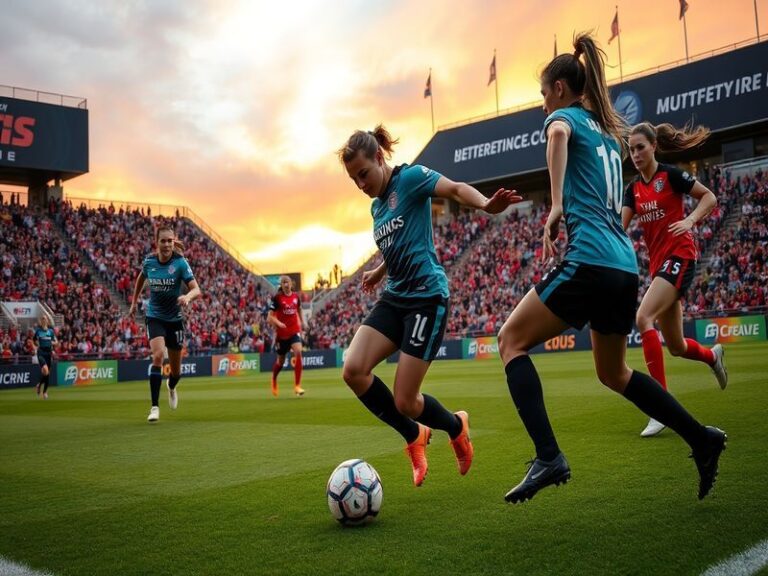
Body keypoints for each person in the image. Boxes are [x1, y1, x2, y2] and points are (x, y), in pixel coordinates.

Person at [497, 33, 726, 504]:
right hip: (623, 266)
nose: (543, 108)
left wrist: (556, 203)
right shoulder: (604, 131)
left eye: (543, 95)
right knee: (614, 373)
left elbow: (557, 135)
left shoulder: (565, 120)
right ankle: (701, 439)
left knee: (509, 341)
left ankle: (548, 456)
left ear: (560, 88)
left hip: (591, 260)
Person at [338, 124, 521, 486]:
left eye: (363, 174)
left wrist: (485, 204)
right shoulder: (377, 208)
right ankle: (413, 436)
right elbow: (399, 239)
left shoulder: (412, 178)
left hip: (426, 296)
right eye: (353, 179)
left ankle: (456, 425)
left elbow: (453, 188)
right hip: (395, 296)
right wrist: (380, 269)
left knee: (406, 400)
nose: (361, 184)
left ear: (379, 157)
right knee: (353, 370)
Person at [623, 122, 728, 438]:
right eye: (631, 149)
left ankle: (660, 409)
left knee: (643, 317)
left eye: (641, 146)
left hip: (681, 257)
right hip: (660, 267)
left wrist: (690, 220)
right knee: (677, 346)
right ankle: (713, 356)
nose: (636, 153)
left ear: (654, 146)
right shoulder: (633, 190)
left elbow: (708, 197)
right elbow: (619, 226)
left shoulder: (671, 175)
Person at [129, 225, 201, 422]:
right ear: (157, 242)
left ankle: (171, 386)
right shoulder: (149, 262)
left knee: (176, 372)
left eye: (170, 240)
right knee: (159, 355)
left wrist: (187, 297)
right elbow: (140, 279)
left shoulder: (180, 263)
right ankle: (154, 407)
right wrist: (135, 301)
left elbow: (197, 290)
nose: (167, 244)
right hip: (155, 317)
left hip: (175, 320)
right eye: (164, 240)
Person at [267, 275, 305, 397]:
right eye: (283, 283)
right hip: (282, 334)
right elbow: (269, 317)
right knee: (281, 362)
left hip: (294, 330)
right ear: (281, 285)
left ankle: (297, 386)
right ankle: (273, 380)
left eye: (287, 282)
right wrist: (279, 323)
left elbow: (299, 309)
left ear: (291, 284)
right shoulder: (277, 298)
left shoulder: (295, 297)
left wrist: (302, 321)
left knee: (298, 351)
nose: (286, 285)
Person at [33, 316, 56, 398]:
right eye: (42, 318)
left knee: (47, 374)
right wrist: (37, 344)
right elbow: (34, 340)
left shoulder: (51, 331)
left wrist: (52, 344)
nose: (43, 320)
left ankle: (42, 388)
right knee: (45, 370)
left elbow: (55, 342)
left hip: (48, 353)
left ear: (47, 320)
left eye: (45, 318)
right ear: (41, 321)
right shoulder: (38, 331)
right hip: (41, 352)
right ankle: (43, 391)